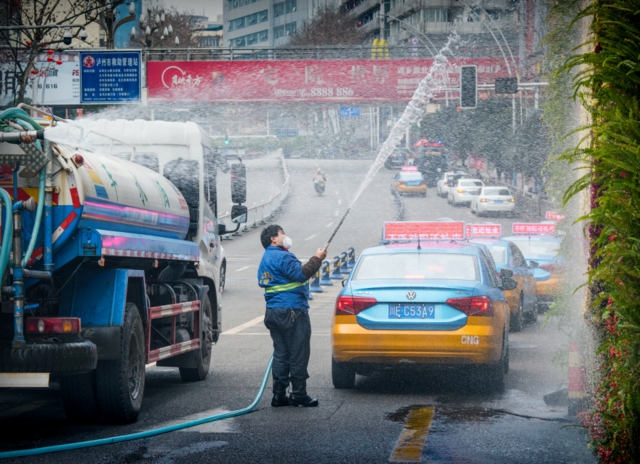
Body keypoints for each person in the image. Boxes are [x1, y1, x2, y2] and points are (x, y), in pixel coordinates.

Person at [258, 225, 328, 407]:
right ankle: (298, 394)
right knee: (298, 353)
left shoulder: (267, 257)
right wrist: (317, 258)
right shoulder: (282, 255)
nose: (285, 236)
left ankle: (279, 395)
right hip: (293, 312)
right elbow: (301, 274)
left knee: (281, 354)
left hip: (274, 312)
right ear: (273, 238)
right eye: (282, 233)